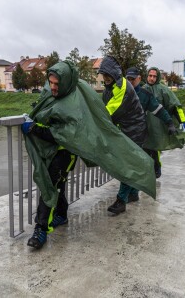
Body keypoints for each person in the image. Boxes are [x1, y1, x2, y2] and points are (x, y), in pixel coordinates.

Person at [22, 60, 156, 249]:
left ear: (66, 82)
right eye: (50, 83)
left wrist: (34, 129)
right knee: (57, 183)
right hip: (49, 149)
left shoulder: (77, 102)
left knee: (50, 183)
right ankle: (61, 215)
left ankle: (40, 229)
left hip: (65, 151)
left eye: (56, 84)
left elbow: (66, 135)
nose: (52, 87)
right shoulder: (53, 93)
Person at [98, 56, 155, 213]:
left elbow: (109, 112)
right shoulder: (113, 86)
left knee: (127, 165)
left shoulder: (123, 88)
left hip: (135, 130)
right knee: (131, 163)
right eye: (103, 76)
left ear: (114, 74)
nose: (105, 79)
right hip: (130, 129)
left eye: (107, 76)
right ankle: (134, 194)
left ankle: (121, 200)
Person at [143, 67, 185, 178]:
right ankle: (147, 172)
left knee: (155, 149)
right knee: (144, 149)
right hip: (144, 125)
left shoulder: (163, 90)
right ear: (147, 76)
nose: (152, 78)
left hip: (158, 126)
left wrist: (182, 121)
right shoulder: (142, 89)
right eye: (150, 75)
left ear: (157, 77)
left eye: (154, 76)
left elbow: (175, 105)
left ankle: (157, 168)